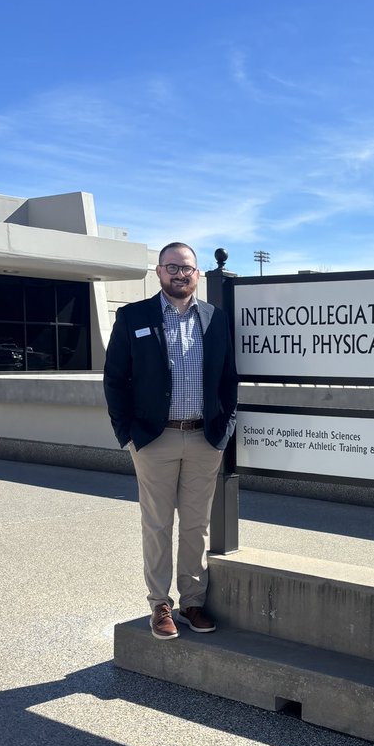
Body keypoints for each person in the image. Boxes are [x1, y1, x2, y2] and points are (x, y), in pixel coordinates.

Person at [104, 242, 239, 640]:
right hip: (154, 439)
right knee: (158, 525)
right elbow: (115, 380)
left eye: (187, 269)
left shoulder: (215, 318)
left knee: (196, 525)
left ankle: (191, 603)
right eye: (172, 268)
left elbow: (228, 379)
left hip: (204, 438)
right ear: (159, 272)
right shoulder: (134, 317)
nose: (181, 274)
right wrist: (127, 435)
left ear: (197, 274)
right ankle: (159, 604)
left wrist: (224, 430)